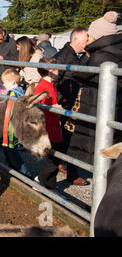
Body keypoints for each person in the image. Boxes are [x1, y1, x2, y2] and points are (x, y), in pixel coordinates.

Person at [68, 11, 122, 167]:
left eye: (90, 36)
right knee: (110, 144)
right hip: (115, 104)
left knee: (98, 146)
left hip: (96, 102)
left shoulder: (100, 55)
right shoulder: (116, 51)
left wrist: (85, 57)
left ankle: (101, 183)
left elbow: (80, 74)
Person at [53, 27, 90, 185]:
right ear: (75, 39)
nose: (87, 43)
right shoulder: (62, 57)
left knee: (67, 137)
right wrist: (60, 102)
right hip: (67, 105)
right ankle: (71, 173)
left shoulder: (79, 56)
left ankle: (61, 163)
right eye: (85, 40)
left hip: (74, 103)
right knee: (72, 137)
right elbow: (53, 80)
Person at [34, 57, 66, 190]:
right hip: (49, 126)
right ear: (50, 70)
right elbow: (40, 107)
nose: (59, 72)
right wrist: (54, 108)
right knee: (56, 155)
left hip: (53, 124)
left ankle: (50, 184)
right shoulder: (42, 87)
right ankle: (40, 179)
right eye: (57, 69)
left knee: (55, 154)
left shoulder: (50, 85)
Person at [0, 69, 33, 178]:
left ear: (13, 82)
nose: (4, 84)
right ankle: (12, 171)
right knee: (8, 151)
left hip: (11, 129)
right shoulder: (18, 93)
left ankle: (26, 177)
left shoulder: (14, 94)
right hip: (10, 127)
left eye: (5, 82)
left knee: (13, 154)